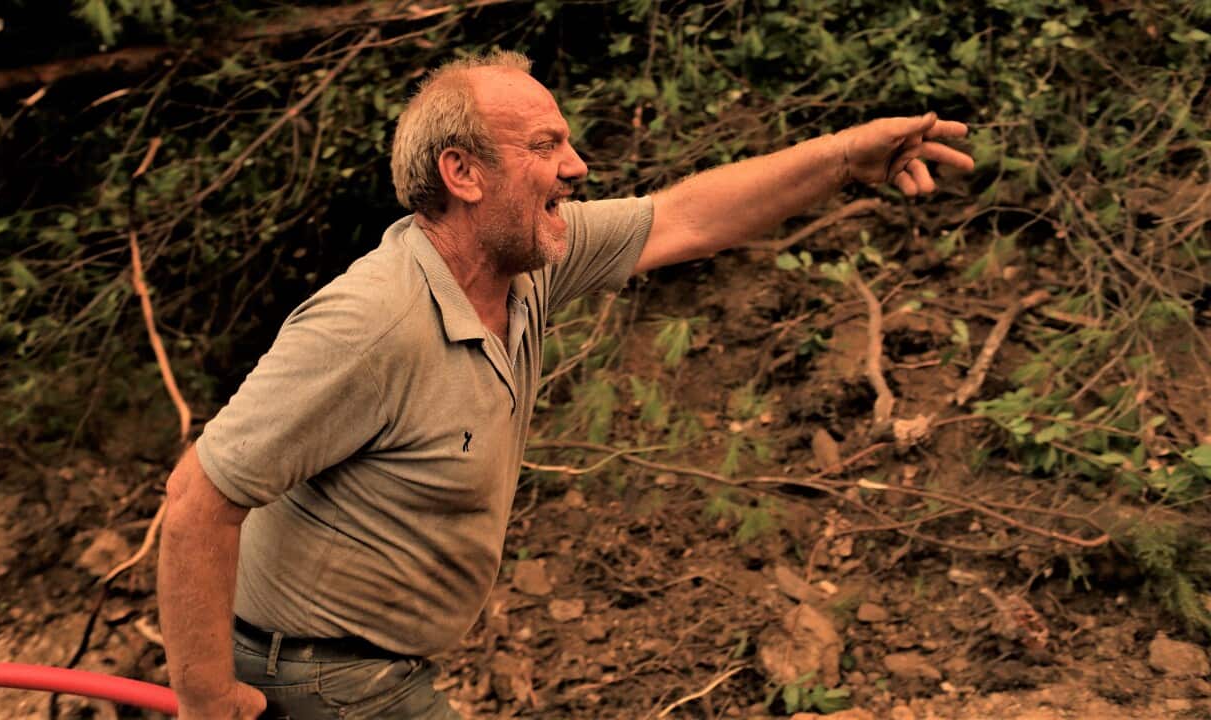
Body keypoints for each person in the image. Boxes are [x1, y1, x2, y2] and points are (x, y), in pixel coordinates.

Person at [157, 49, 974, 719]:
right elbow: (198, 499)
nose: (576, 167)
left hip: (374, 666)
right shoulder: (369, 323)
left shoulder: (528, 266)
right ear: (463, 174)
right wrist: (205, 695)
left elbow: (688, 216)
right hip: (316, 678)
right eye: (545, 146)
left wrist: (842, 155)